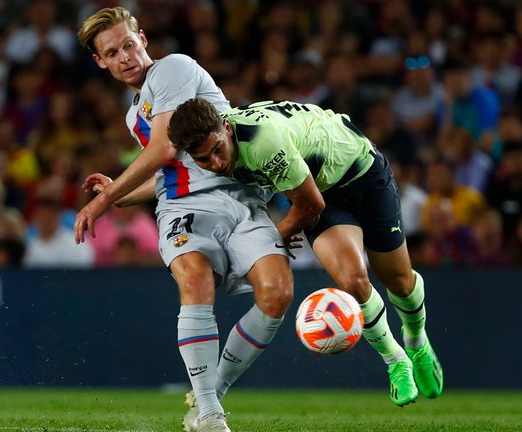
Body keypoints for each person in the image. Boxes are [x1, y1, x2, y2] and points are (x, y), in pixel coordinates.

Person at [73, 8, 293, 432]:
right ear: (100, 61)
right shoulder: (134, 110)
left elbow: (164, 151)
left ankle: (210, 395)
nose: (125, 57)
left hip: (240, 196)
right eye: (112, 52)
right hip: (185, 207)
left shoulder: (172, 69)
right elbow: (170, 175)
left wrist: (103, 202)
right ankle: (210, 415)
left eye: (129, 45)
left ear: (143, 38)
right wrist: (118, 197)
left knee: (278, 293)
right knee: (194, 277)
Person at [168, 98, 444, 406]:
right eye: (204, 159)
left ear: (227, 128)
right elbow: (172, 184)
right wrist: (114, 194)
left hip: (362, 172)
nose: (216, 164)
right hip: (322, 192)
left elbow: (309, 205)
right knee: (353, 281)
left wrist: (279, 234)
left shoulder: (262, 143)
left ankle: (416, 340)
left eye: (218, 150)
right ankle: (396, 361)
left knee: (400, 281)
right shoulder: (208, 151)